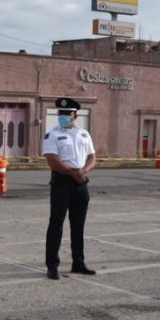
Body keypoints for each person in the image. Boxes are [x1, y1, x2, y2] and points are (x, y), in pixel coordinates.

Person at [43, 97, 97, 280]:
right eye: (61, 113)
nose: (63, 116)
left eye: (67, 113)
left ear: (75, 115)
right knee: (56, 225)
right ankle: (52, 265)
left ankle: (78, 263)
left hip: (81, 182)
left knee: (78, 225)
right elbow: (51, 159)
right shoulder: (52, 135)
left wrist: (83, 171)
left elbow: (92, 157)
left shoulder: (84, 134)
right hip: (62, 182)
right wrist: (71, 172)